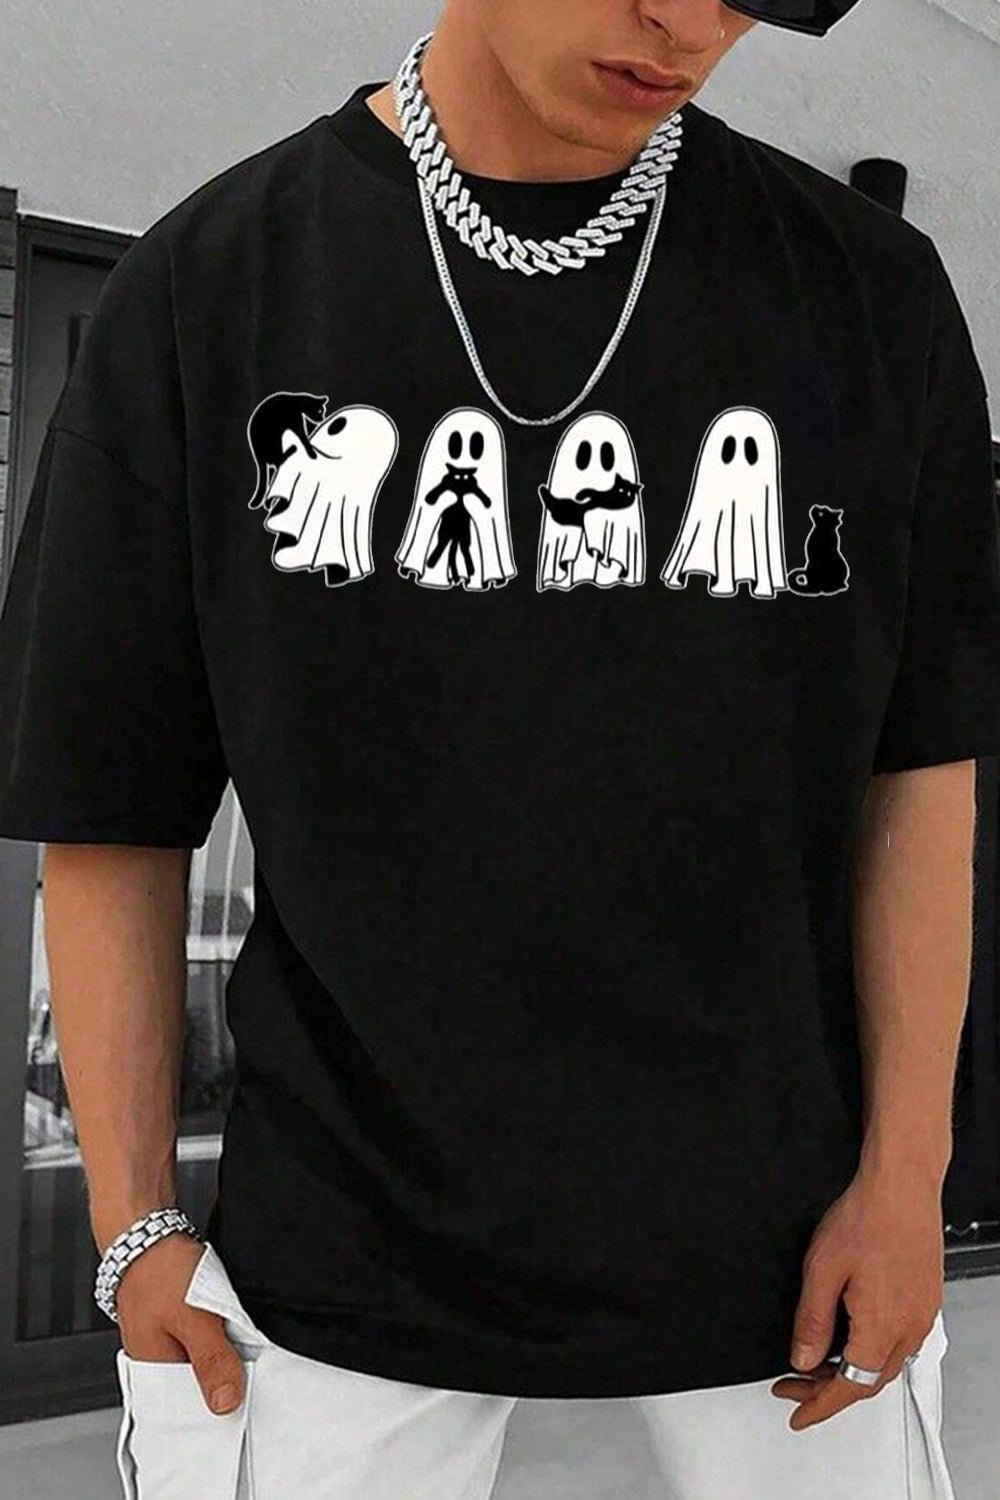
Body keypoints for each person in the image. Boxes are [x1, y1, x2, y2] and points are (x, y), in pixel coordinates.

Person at [0, 0, 997, 1495]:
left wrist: (910, 1177)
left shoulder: (869, 295)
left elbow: (920, 772)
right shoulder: (211, 288)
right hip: (336, 1248)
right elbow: (112, 807)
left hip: (797, 1236)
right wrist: (132, 1224)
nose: (688, 23)